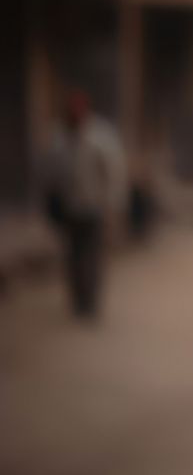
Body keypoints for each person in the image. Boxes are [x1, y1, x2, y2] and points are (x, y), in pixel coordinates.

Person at [43, 89, 127, 319]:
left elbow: (113, 173)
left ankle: (90, 302)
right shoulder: (60, 136)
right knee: (72, 256)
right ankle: (77, 301)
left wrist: (113, 205)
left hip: (93, 207)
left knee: (91, 256)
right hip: (69, 208)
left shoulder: (100, 136)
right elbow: (52, 171)